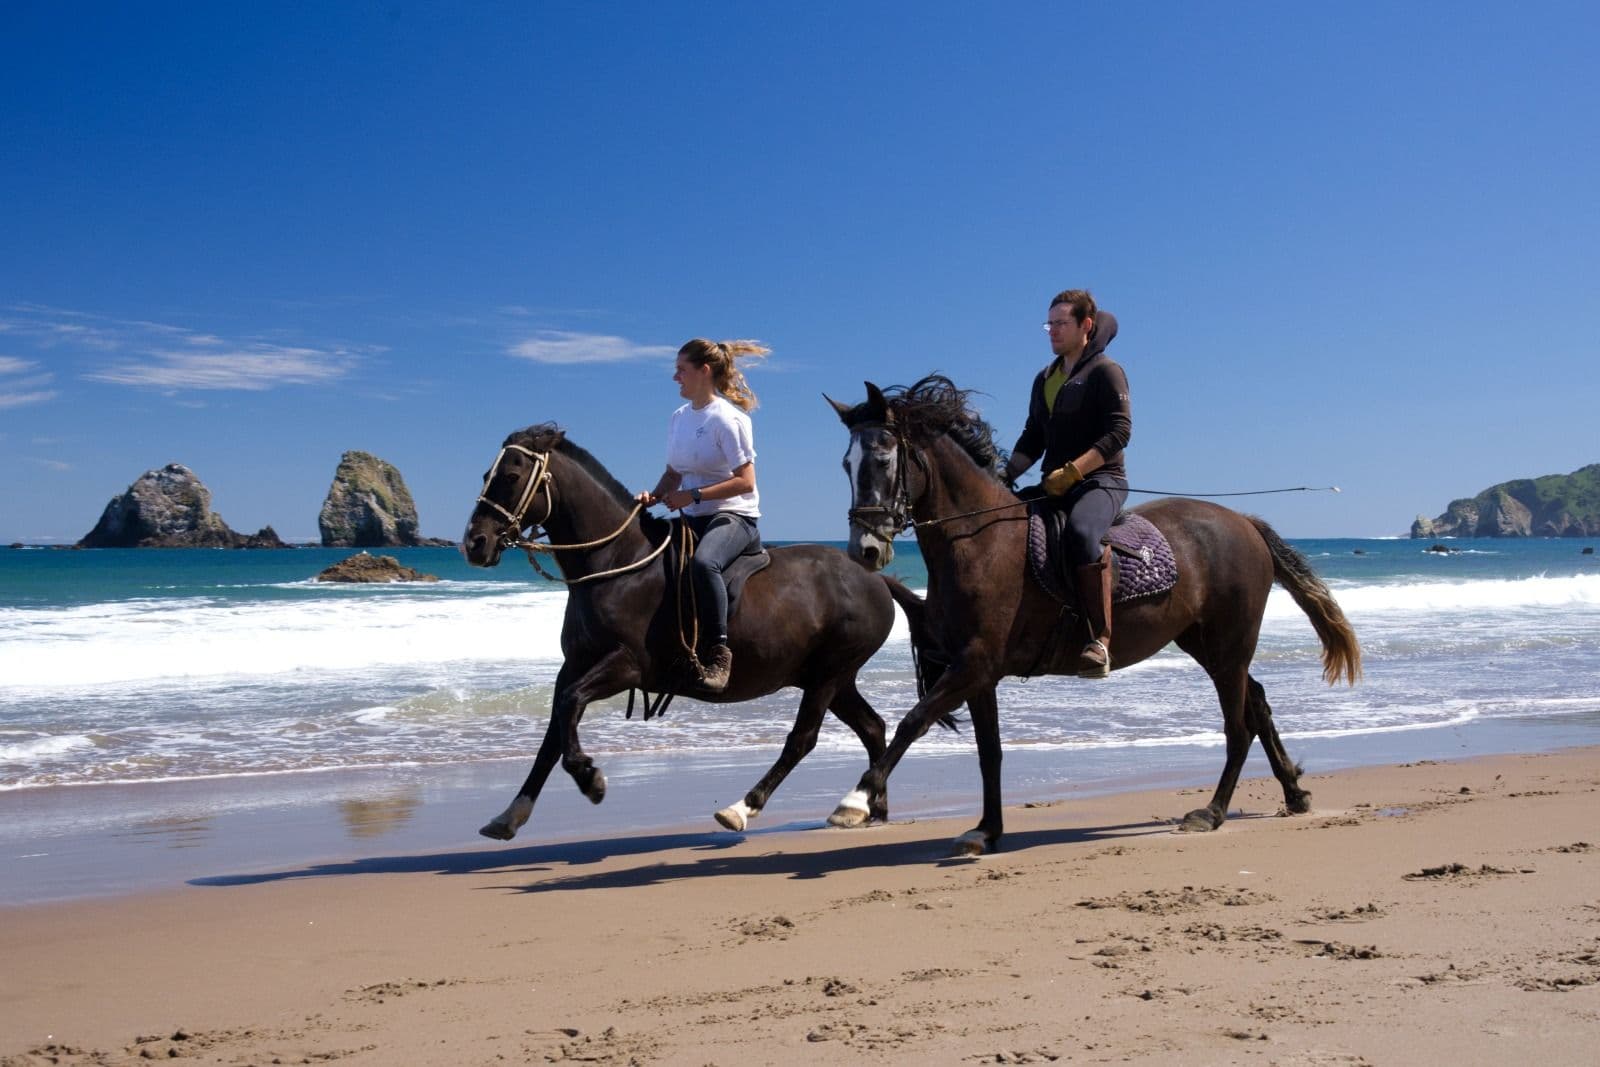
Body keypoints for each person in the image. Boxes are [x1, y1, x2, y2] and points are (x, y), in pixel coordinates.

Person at [1003, 290, 1131, 678]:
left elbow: (1119, 433)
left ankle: (1100, 640)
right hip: (1053, 483)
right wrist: (1004, 477)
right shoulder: (1045, 378)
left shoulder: (1106, 371)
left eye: (1061, 324)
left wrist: (1075, 471)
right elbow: (1032, 438)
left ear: (1085, 326)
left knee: (1080, 532)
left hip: (1101, 482)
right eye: (1050, 324)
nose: (1052, 331)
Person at [635, 338, 767, 692]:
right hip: (690, 516)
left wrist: (691, 495)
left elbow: (745, 481)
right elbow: (673, 473)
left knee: (703, 564)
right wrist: (655, 494)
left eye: (682, 370)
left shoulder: (728, 419)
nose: (676, 377)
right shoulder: (678, 419)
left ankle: (719, 652)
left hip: (732, 516)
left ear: (704, 372)